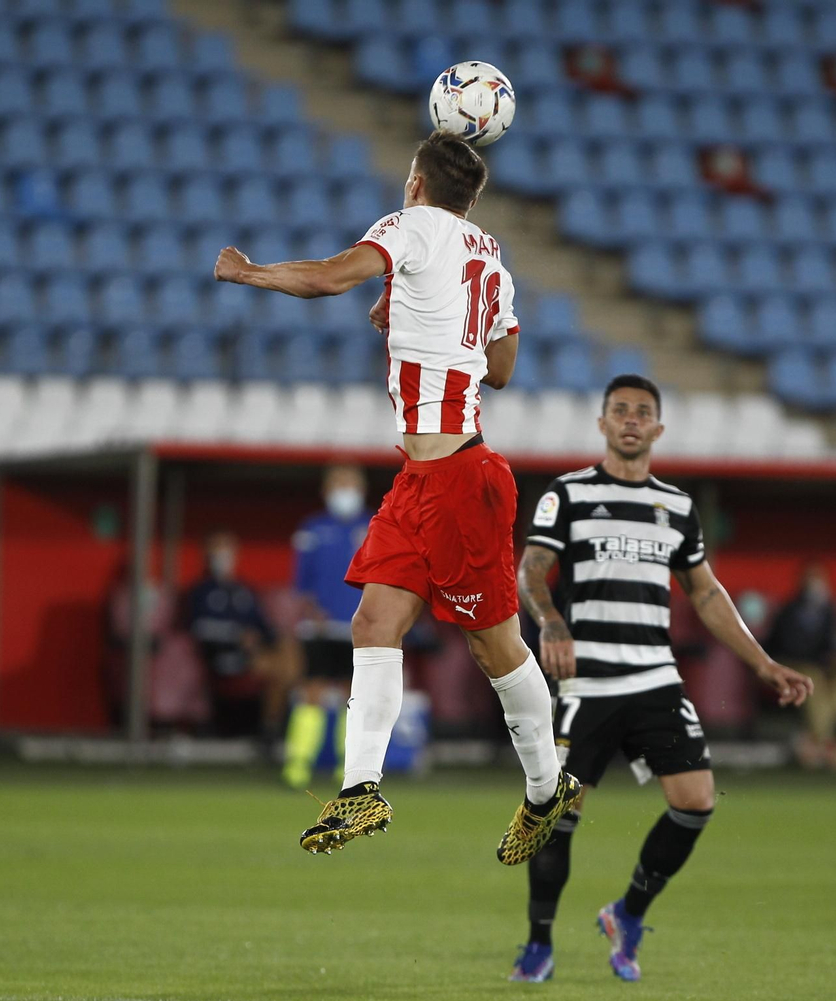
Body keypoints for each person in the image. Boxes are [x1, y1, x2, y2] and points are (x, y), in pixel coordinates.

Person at [214, 131, 580, 862]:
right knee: (373, 620)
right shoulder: (491, 257)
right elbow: (501, 366)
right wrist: (415, 308)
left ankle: (547, 788)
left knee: (495, 646)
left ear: (417, 183)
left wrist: (251, 273)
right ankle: (360, 788)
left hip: (462, 479)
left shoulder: (410, 226)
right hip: (419, 479)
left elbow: (327, 277)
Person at [511, 375, 814, 982]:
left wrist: (763, 662)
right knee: (556, 811)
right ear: (601, 424)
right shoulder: (567, 495)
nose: (630, 419)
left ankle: (628, 914)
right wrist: (550, 624)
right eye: (619, 410)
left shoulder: (676, 507)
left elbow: (705, 595)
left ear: (657, 429)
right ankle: (539, 941)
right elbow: (531, 572)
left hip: (654, 678)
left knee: (697, 801)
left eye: (642, 412)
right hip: (587, 682)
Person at [284, 464, 372, 788]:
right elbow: (301, 582)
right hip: (319, 627)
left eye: (349, 482)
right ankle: (297, 764)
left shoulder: (374, 526)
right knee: (312, 692)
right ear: (327, 490)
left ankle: (348, 771)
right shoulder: (312, 528)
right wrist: (312, 612)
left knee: (355, 697)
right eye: (338, 483)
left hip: (359, 627)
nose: (344, 490)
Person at [180, 530, 281, 738]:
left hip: (252, 653)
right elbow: (198, 627)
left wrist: (264, 639)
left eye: (227, 549)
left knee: (287, 655)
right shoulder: (201, 591)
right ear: (207, 555)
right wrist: (236, 635)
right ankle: (269, 728)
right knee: (280, 667)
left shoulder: (244, 590)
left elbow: (264, 627)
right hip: (220, 654)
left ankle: (272, 726)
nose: (223, 556)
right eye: (217, 549)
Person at [766, 561, 836, 771]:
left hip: (818, 666)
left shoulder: (828, 612)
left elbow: (832, 644)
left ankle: (813, 739)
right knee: (812, 677)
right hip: (790, 665)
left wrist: (835, 658)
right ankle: (829, 744)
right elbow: (783, 646)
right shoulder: (789, 609)